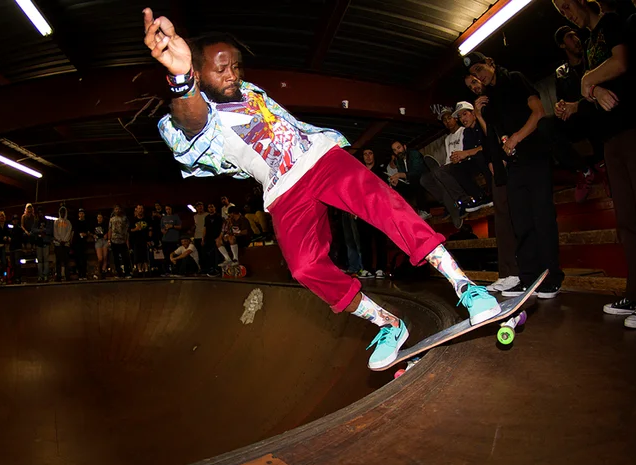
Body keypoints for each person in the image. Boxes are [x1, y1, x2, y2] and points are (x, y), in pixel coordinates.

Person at [144, 9, 501, 369]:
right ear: (199, 72)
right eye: (220, 69)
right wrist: (180, 78)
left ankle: (465, 286)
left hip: (319, 159)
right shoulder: (183, 115)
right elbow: (194, 124)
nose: (231, 75)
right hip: (282, 191)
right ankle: (388, 323)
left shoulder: (248, 91)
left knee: (383, 205)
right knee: (304, 267)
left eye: (235, 66)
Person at [553, 0, 636, 328]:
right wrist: (585, 97)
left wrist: (588, 80)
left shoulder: (613, 23)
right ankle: (635, 291)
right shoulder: (589, 43)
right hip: (609, 138)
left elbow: (620, 63)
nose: (566, 12)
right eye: (560, 11)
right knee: (627, 220)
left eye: (566, 5)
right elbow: (598, 88)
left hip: (632, 127)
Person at [466, 51, 564, 299]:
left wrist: (517, 139)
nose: (479, 76)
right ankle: (529, 278)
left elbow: (538, 111)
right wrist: (479, 116)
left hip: (535, 156)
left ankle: (552, 277)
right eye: (474, 74)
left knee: (542, 217)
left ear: (490, 63)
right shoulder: (491, 98)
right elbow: (493, 134)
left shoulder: (515, 79)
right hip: (515, 164)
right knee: (521, 221)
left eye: (479, 69)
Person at [465, 75, 521, 293]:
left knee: (516, 217)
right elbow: (490, 138)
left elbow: (502, 132)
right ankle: (507, 273)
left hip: (514, 162)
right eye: (471, 86)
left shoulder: (501, 98)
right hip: (497, 167)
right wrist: (491, 160)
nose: (475, 86)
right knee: (501, 218)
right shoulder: (483, 111)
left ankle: (518, 271)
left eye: (476, 81)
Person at [538, 26, 602, 203]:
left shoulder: (591, 59)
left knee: (593, 112)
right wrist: (561, 107)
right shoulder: (561, 72)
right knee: (545, 125)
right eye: (569, 37)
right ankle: (584, 170)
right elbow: (562, 99)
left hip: (596, 112)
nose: (575, 39)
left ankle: (603, 163)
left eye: (575, 35)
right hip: (577, 120)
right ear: (562, 45)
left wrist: (577, 105)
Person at [450, 102, 494, 211]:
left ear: (473, 114)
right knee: (455, 168)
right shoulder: (467, 132)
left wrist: (467, 153)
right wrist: (458, 158)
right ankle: (479, 197)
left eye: (465, 114)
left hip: (490, 158)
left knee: (481, 156)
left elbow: (489, 145)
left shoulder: (483, 124)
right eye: (460, 117)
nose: (462, 119)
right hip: (476, 162)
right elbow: (467, 152)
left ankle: (493, 194)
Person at [357, 149, 388, 278]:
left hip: (378, 210)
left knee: (380, 239)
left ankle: (381, 268)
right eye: (365, 154)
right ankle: (367, 268)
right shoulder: (359, 172)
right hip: (363, 211)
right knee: (364, 240)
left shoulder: (381, 172)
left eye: (370, 153)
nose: (368, 156)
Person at [389, 140, 432, 220]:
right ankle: (406, 213)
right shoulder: (398, 160)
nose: (397, 151)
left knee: (415, 180)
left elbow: (416, 172)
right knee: (395, 186)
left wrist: (399, 175)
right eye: (394, 150)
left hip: (424, 179)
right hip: (411, 182)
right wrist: (397, 180)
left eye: (399, 148)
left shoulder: (413, 154)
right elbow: (403, 175)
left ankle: (425, 211)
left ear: (404, 147)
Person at [109, 205, 132, 278]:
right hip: (114, 240)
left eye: (118, 209)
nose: (117, 210)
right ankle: (119, 273)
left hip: (122, 240)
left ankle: (127, 272)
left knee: (125, 257)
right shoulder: (111, 219)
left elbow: (127, 230)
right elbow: (110, 229)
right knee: (116, 258)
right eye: (116, 209)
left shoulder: (124, 218)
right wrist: (109, 239)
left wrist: (127, 240)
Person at [53, 206, 73, 281]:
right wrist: (59, 240)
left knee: (66, 261)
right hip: (58, 244)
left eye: (63, 212)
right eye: (61, 212)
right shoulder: (56, 222)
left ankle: (67, 276)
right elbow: (55, 232)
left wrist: (64, 240)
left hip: (66, 244)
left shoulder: (68, 223)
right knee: (58, 261)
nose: (62, 213)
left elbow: (69, 232)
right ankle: (58, 276)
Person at [160, 204, 181, 274]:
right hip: (165, 239)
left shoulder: (176, 217)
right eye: (166, 209)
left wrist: (172, 226)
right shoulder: (163, 218)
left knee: (174, 255)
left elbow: (180, 227)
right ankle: (167, 271)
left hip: (174, 239)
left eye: (169, 209)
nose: (168, 211)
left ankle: (175, 270)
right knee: (166, 256)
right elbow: (161, 228)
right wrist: (163, 231)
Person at [203, 202, 223, 275]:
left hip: (216, 237)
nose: (210, 208)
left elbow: (222, 228)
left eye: (212, 207)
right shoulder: (207, 217)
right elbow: (205, 228)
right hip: (208, 238)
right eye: (209, 207)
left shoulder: (218, 216)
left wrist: (219, 237)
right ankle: (211, 268)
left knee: (216, 254)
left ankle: (217, 269)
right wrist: (203, 238)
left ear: (214, 208)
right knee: (210, 254)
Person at [33, 207, 51, 282]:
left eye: (42, 212)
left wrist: (44, 231)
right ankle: (40, 275)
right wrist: (39, 231)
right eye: (39, 213)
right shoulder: (36, 222)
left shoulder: (47, 221)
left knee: (46, 260)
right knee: (40, 260)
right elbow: (33, 230)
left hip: (46, 242)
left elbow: (50, 230)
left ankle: (45, 275)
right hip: (39, 243)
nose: (41, 214)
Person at [73, 208, 90, 280]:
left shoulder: (86, 222)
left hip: (84, 243)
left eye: (82, 213)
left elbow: (88, 232)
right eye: (80, 213)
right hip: (77, 243)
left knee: (84, 259)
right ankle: (79, 274)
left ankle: (84, 274)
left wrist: (85, 234)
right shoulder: (76, 222)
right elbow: (74, 232)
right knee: (78, 259)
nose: (81, 215)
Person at [92, 212, 109, 279]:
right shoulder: (94, 225)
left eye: (101, 217)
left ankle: (103, 270)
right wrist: (93, 235)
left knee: (105, 256)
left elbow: (108, 231)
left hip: (104, 241)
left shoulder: (105, 225)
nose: (99, 219)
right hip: (98, 241)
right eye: (98, 217)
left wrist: (107, 235)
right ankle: (98, 270)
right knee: (100, 258)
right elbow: (90, 232)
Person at [9, 212, 25, 284]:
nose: (15, 221)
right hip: (12, 249)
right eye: (14, 220)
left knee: (17, 263)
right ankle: (15, 277)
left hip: (18, 248)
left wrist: (11, 239)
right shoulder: (11, 230)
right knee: (13, 264)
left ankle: (18, 277)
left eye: (16, 220)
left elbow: (19, 238)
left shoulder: (19, 229)